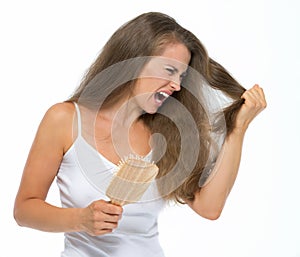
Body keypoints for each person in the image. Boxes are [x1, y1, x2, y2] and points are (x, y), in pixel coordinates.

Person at [13, 12, 267, 257]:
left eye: (182, 75)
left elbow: (209, 208)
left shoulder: (167, 134)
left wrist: (239, 128)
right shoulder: (65, 120)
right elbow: (24, 209)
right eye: (170, 70)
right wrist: (80, 219)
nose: (177, 85)